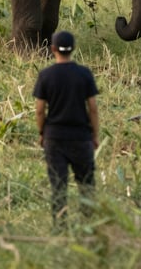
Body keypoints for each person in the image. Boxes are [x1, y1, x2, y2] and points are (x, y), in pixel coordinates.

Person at [33, 30, 100, 228]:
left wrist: (42, 132)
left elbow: (39, 110)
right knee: (86, 184)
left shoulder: (46, 75)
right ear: (73, 48)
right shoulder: (84, 74)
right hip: (81, 137)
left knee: (58, 185)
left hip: (54, 138)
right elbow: (93, 108)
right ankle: (88, 224)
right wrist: (95, 135)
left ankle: (60, 226)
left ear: (53, 49)